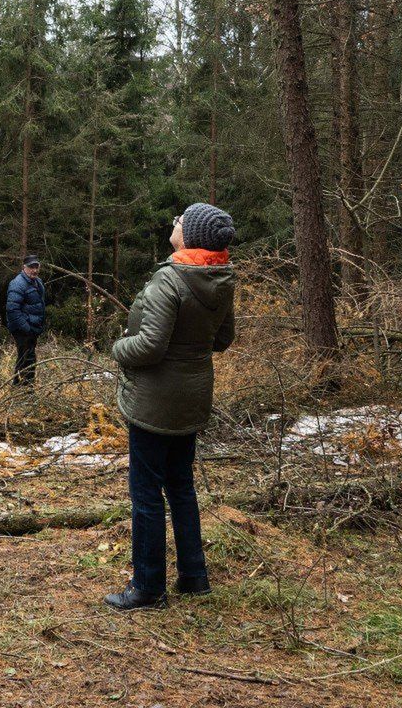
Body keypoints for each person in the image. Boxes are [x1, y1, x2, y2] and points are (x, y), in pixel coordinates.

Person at [104, 202, 237, 610]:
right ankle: (194, 577)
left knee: (146, 493)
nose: (174, 223)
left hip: (154, 403)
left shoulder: (171, 278)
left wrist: (117, 348)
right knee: (181, 486)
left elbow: (149, 345)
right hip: (192, 400)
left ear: (190, 235)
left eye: (181, 220)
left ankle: (148, 587)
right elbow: (223, 339)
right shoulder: (220, 277)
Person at [4, 255, 47, 384]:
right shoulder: (17, 284)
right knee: (27, 358)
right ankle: (26, 389)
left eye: (36, 267)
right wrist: (26, 328)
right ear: (24, 267)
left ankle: (20, 386)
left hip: (32, 327)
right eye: (31, 267)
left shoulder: (37, 282)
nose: (34, 270)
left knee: (27, 358)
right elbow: (12, 309)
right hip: (22, 329)